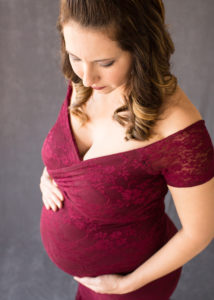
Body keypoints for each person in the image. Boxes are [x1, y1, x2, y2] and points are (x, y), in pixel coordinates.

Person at [39, 1, 214, 299]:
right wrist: (50, 174)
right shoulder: (87, 80)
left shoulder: (180, 132)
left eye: (105, 63)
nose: (86, 77)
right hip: (89, 280)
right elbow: (73, 152)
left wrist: (125, 285)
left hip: (131, 285)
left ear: (141, 48)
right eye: (75, 57)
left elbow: (200, 232)